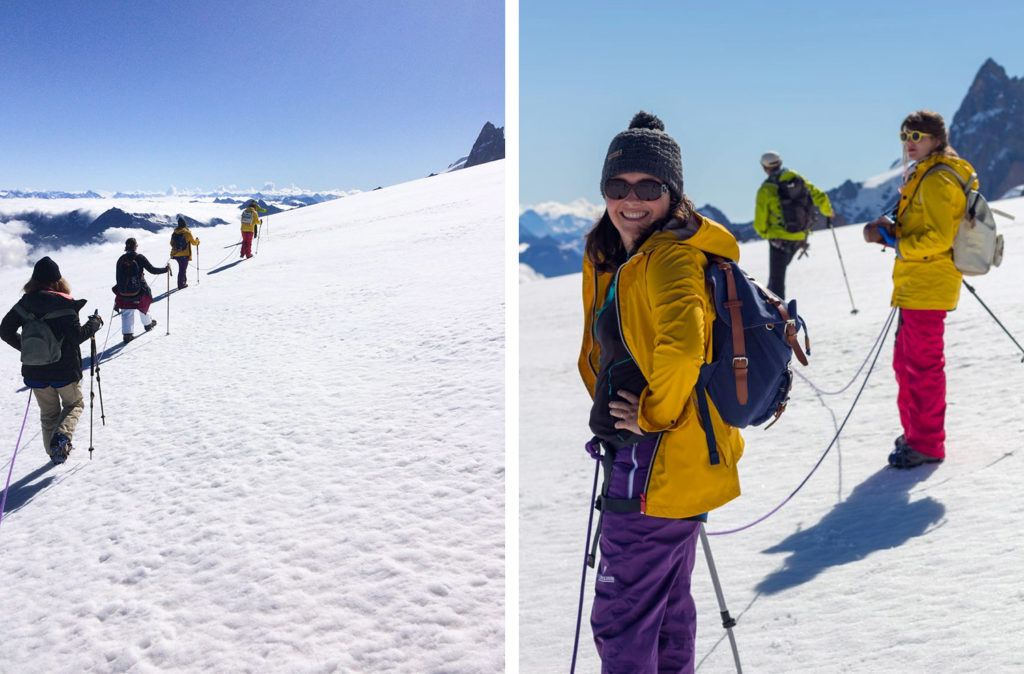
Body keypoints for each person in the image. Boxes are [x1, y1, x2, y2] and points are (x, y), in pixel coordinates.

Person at [578, 111, 745, 672]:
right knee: (667, 607)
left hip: (652, 466)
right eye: (617, 186)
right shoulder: (628, 254)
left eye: (649, 187)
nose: (632, 199)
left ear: (672, 194)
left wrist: (649, 415)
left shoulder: (668, 256)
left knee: (623, 618)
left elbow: (681, 349)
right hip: (676, 463)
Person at [863, 110, 976, 469]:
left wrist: (895, 242)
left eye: (917, 136)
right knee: (906, 363)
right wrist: (892, 231)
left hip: (928, 285)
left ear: (936, 139)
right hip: (916, 284)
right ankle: (916, 433)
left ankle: (927, 443)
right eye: (905, 136)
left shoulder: (938, 179)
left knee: (923, 367)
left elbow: (939, 237)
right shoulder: (925, 175)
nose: (909, 143)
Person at [0, 257, 103, 464]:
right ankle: (62, 439)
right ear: (58, 280)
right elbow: (75, 337)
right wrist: (94, 323)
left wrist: (29, 349)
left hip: (35, 371)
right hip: (64, 370)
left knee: (48, 415)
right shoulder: (65, 303)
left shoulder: (24, 303)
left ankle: (55, 453)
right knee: (74, 404)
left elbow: (5, 331)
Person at [753, 151, 835, 299]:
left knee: (776, 281)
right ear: (780, 163)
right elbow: (820, 196)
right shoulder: (797, 179)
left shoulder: (766, 189)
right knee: (777, 278)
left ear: (765, 168)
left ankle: (778, 317)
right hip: (799, 236)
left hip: (779, 240)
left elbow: (760, 222)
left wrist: (767, 234)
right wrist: (828, 212)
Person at [113, 237, 170, 343]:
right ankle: (148, 325)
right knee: (143, 306)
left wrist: (121, 290)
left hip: (123, 292)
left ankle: (127, 335)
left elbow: (117, 276)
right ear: (135, 246)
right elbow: (152, 270)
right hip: (138, 290)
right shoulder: (139, 257)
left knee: (126, 311)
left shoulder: (121, 259)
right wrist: (165, 269)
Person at [169, 215, 200, 289]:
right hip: (185, 255)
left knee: (182, 268)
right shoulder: (187, 233)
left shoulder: (175, 232)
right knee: (182, 270)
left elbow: (171, 243)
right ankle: (181, 285)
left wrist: (178, 248)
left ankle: (183, 281)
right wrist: (197, 241)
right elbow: (193, 243)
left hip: (176, 254)